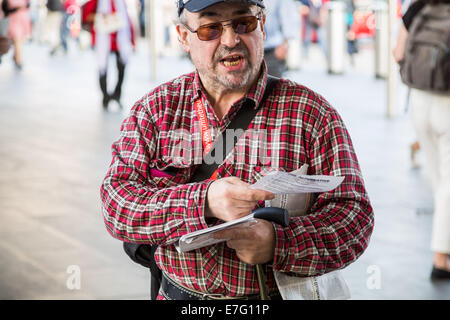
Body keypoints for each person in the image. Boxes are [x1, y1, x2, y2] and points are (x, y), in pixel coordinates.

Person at [100, 0, 374, 300]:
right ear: (183, 37)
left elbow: (355, 218)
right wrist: (203, 200)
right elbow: (116, 203)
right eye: (210, 28)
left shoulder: (311, 114)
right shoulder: (156, 110)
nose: (230, 40)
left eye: (244, 23)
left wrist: (279, 243)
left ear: (264, 27)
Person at [393, 0, 450, 280]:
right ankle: (441, 258)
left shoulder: (418, 8)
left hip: (419, 99)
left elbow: (397, 52)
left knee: (441, 179)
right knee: (447, 184)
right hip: (447, 101)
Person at [82, 0, 135, 110]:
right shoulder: (96, 1)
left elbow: (126, 18)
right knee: (103, 68)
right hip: (103, 39)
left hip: (119, 40)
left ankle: (117, 94)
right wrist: (102, 17)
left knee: (122, 67)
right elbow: (86, 16)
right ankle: (105, 96)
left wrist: (132, 39)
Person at [262, 0, 299, 78]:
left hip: (271, 51)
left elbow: (289, 18)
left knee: (271, 85)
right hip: (251, 49)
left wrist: (285, 44)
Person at [1, 0, 31, 69]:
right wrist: (18, 8)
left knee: (21, 40)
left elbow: (28, 5)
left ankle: (15, 56)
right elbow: (5, 8)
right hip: (14, 20)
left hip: (23, 20)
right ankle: (18, 60)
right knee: (16, 39)